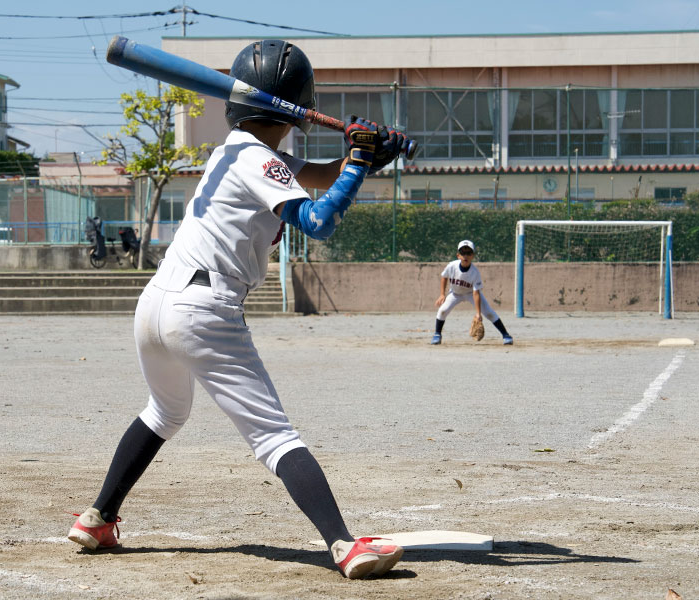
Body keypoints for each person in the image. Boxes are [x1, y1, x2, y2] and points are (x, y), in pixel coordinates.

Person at [68, 39, 415, 579]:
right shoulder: (258, 159)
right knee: (274, 436)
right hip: (204, 308)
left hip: (157, 303)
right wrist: (356, 168)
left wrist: (363, 158)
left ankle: (98, 518)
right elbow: (318, 219)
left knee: (164, 413)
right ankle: (345, 545)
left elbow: (315, 174)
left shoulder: (238, 149)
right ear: (298, 102)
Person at [430, 240, 513, 345]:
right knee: (442, 310)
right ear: (458, 255)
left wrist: (478, 313)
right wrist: (442, 294)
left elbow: (476, 293)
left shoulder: (475, 272)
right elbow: (444, 277)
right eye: (463, 253)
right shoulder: (452, 266)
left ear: (472, 256)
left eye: (469, 253)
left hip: (470, 294)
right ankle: (437, 334)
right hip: (455, 293)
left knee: (489, 313)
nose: (466, 256)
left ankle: (506, 335)